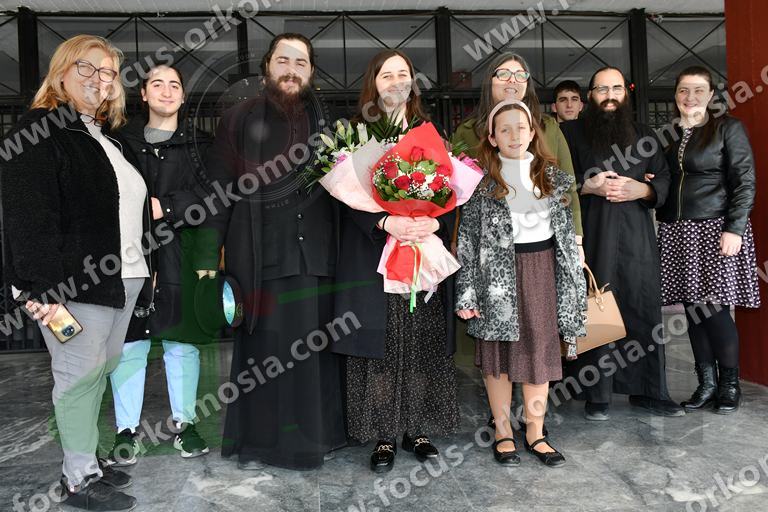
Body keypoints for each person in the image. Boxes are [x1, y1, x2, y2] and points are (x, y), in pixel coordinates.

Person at [1, 35, 153, 511]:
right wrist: (40, 288)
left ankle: (86, 457)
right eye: (86, 68)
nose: (98, 79)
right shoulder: (39, 129)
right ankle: (78, 478)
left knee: (99, 371)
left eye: (107, 72)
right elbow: (28, 213)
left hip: (125, 277)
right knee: (77, 376)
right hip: (74, 283)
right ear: (62, 73)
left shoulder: (109, 138)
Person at [196, 33, 346, 470]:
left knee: (318, 356)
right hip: (261, 260)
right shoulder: (237, 120)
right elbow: (218, 193)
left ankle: (322, 437)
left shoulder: (331, 126)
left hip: (320, 259)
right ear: (267, 67)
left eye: (301, 62)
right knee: (268, 358)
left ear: (311, 72)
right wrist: (207, 261)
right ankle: (266, 443)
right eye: (284, 60)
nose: (291, 70)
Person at [331, 49, 460, 473]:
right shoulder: (355, 135)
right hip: (376, 257)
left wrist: (433, 223)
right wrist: (386, 221)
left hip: (422, 253)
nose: (395, 81)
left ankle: (416, 428)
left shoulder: (430, 133)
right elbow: (343, 200)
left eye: (402, 74)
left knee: (420, 342)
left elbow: (451, 192)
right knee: (382, 346)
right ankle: (384, 433)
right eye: (386, 75)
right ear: (374, 83)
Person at [456, 99, 586, 467]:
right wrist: (467, 293)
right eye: (505, 129)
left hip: (542, 270)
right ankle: (502, 432)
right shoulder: (480, 184)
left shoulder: (554, 179)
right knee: (497, 357)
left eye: (521, 127)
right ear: (492, 138)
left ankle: (535, 433)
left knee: (539, 353)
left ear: (532, 133)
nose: (514, 135)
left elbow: (565, 234)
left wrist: (573, 273)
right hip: (495, 276)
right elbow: (467, 241)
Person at [105, 64, 216, 467]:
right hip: (129, 254)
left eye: (174, 85)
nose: (166, 91)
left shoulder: (202, 144)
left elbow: (213, 195)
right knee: (130, 343)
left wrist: (165, 207)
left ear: (183, 97)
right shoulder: (119, 142)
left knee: (181, 343)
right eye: (157, 84)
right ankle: (126, 431)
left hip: (181, 253)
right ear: (144, 94)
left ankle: (185, 425)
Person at [559, 66, 684, 420]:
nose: (610, 96)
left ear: (625, 93)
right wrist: (587, 185)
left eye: (616, 88)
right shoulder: (570, 133)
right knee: (595, 308)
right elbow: (553, 178)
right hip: (592, 234)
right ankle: (596, 393)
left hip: (637, 237)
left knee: (641, 307)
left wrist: (642, 189)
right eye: (602, 89)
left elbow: (664, 178)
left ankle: (650, 391)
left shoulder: (645, 134)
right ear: (590, 95)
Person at [656, 66, 760, 414]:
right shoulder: (669, 136)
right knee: (692, 311)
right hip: (677, 230)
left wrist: (735, 228)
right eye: (684, 90)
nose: (690, 97)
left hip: (716, 228)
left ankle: (730, 385)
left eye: (699, 90)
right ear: (675, 95)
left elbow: (745, 180)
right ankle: (707, 385)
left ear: (711, 95)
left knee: (713, 309)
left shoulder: (727, 128)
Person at [451, 52, 582, 237]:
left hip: (543, 236)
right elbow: (456, 196)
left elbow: (569, 187)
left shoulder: (548, 127)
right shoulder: (467, 132)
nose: (512, 80)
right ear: (490, 81)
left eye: (520, 75)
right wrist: (456, 238)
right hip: (486, 239)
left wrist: (577, 238)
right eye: (503, 74)